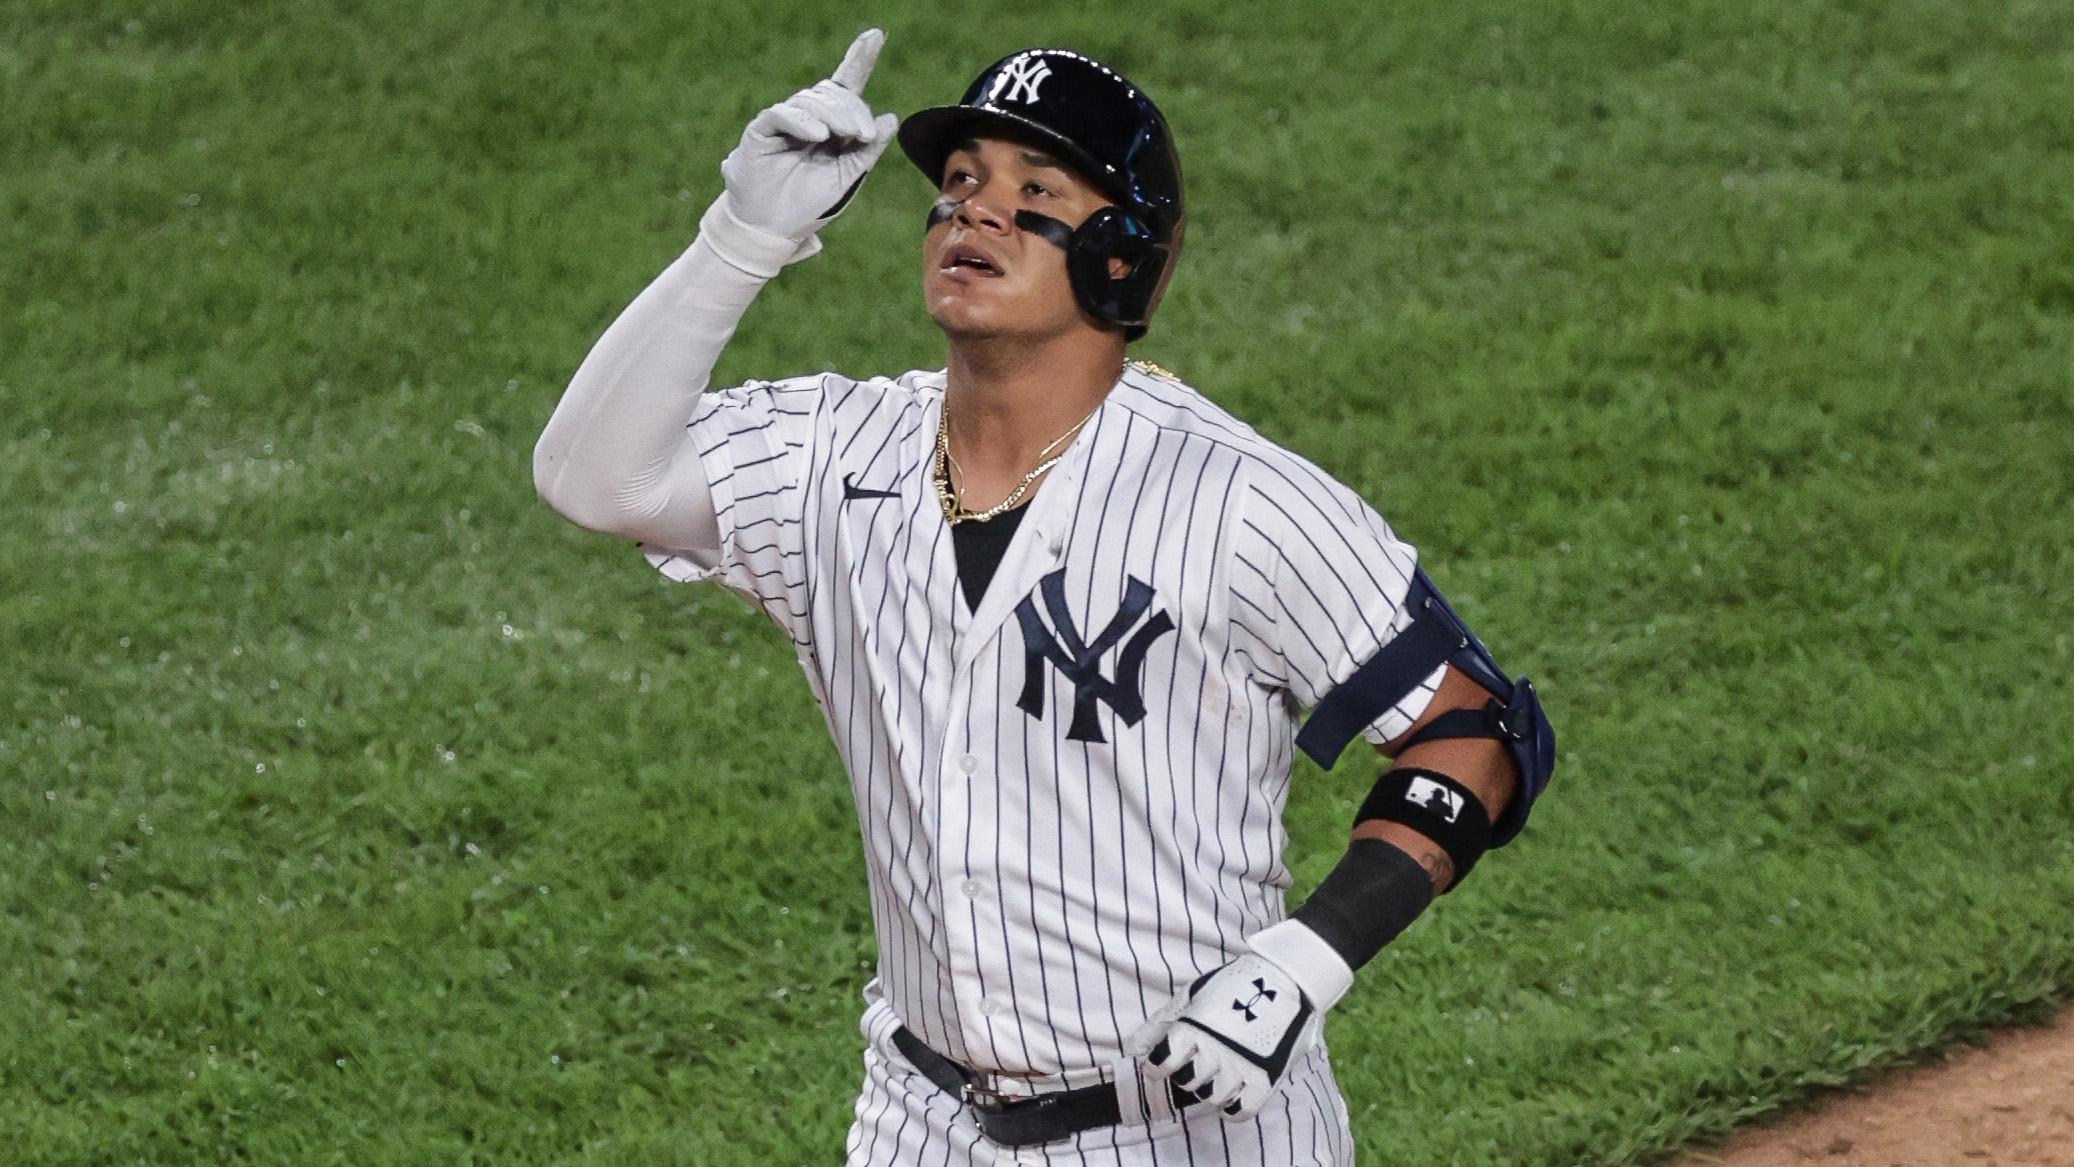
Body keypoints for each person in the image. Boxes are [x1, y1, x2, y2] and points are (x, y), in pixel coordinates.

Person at [534, 29, 1555, 1165]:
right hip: (920, 1120)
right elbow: (593, 478)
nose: (975, 212)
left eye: (1034, 195)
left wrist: (1299, 963)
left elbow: (1479, 735)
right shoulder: (834, 451)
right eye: (961, 184)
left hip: (1189, 1131)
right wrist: (743, 236)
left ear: (1118, 254)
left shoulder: (1239, 503)